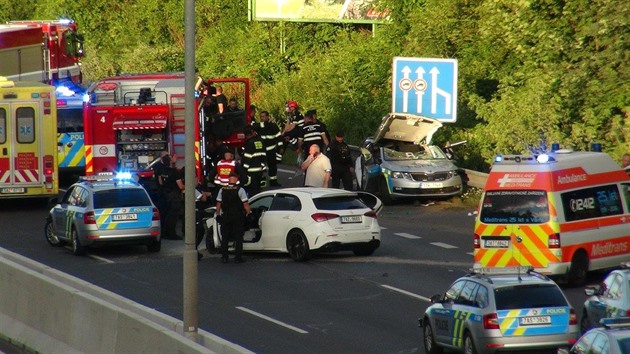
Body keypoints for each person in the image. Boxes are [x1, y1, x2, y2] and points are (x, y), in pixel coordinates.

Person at [215, 173, 252, 263]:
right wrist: (249, 213)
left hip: (226, 215)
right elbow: (245, 203)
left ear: (229, 179)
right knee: (238, 237)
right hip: (237, 216)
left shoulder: (222, 189)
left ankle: (224, 257)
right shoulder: (240, 189)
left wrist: (218, 214)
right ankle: (238, 257)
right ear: (236, 179)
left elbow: (218, 204)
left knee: (225, 237)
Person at [253, 110, 282, 187]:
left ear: (267, 116)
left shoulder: (273, 126)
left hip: (271, 150)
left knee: (272, 166)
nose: (262, 118)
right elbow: (253, 126)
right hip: (262, 151)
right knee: (260, 166)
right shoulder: (259, 126)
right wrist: (264, 124)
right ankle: (260, 181)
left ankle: (273, 181)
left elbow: (279, 137)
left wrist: (280, 147)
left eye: (263, 116)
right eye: (261, 117)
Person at [158, 155, 183, 239]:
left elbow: (161, 182)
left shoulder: (162, 170)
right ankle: (172, 234)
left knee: (166, 215)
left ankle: (165, 233)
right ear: (170, 161)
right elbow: (180, 186)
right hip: (174, 196)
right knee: (173, 216)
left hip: (165, 195)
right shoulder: (174, 172)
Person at [240, 127, 267, 196]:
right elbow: (264, 155)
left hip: (251, 172)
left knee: (252, 191)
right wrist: (263, 167)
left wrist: (243, 171)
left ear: (246, 135)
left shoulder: (249, 143)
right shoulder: (261, 141)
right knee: (258, 190)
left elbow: (247, 158)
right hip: (259, 170)